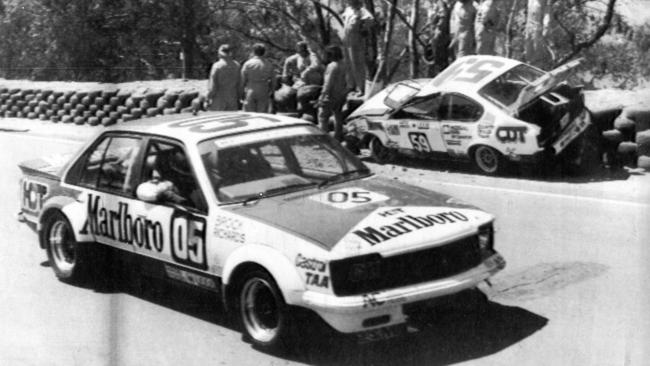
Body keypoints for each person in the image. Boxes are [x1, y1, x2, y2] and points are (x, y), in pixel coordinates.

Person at [341, 0, 374, 96]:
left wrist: (363, 28)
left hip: (356, 40)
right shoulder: (348, 9)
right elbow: (344, 17)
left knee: (357, 64)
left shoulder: (362, 10)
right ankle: (351, 86)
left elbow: (370, 20)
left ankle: (361, 89)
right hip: (347, 39)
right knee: (348, 63)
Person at [317, 45, 347, 141]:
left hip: (330, 95)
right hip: (341, 94)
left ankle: (324, 138)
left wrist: (322, 96)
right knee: (338, 116)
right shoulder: (344, 64)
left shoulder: (332, 66)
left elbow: (328, 83)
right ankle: (338, 136)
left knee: (323, 116)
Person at [241, 43, 276, 113]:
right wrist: (272, 92)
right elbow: (273, 81)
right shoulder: (269, 64)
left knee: (249, 114)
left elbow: (242, 80)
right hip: (264, 90)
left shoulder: (248, 64)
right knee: (262, 114)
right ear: (264, 52)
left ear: (253, 52)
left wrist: (241, 93)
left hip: (251, 89)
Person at [207, 44, 241, 111]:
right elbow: (239, 84)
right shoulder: (237, 65)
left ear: (220, 54)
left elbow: (213, 86)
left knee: (218, 119)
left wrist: (208, 97)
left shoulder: (217, 66)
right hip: (232, 98)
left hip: (219, 99)